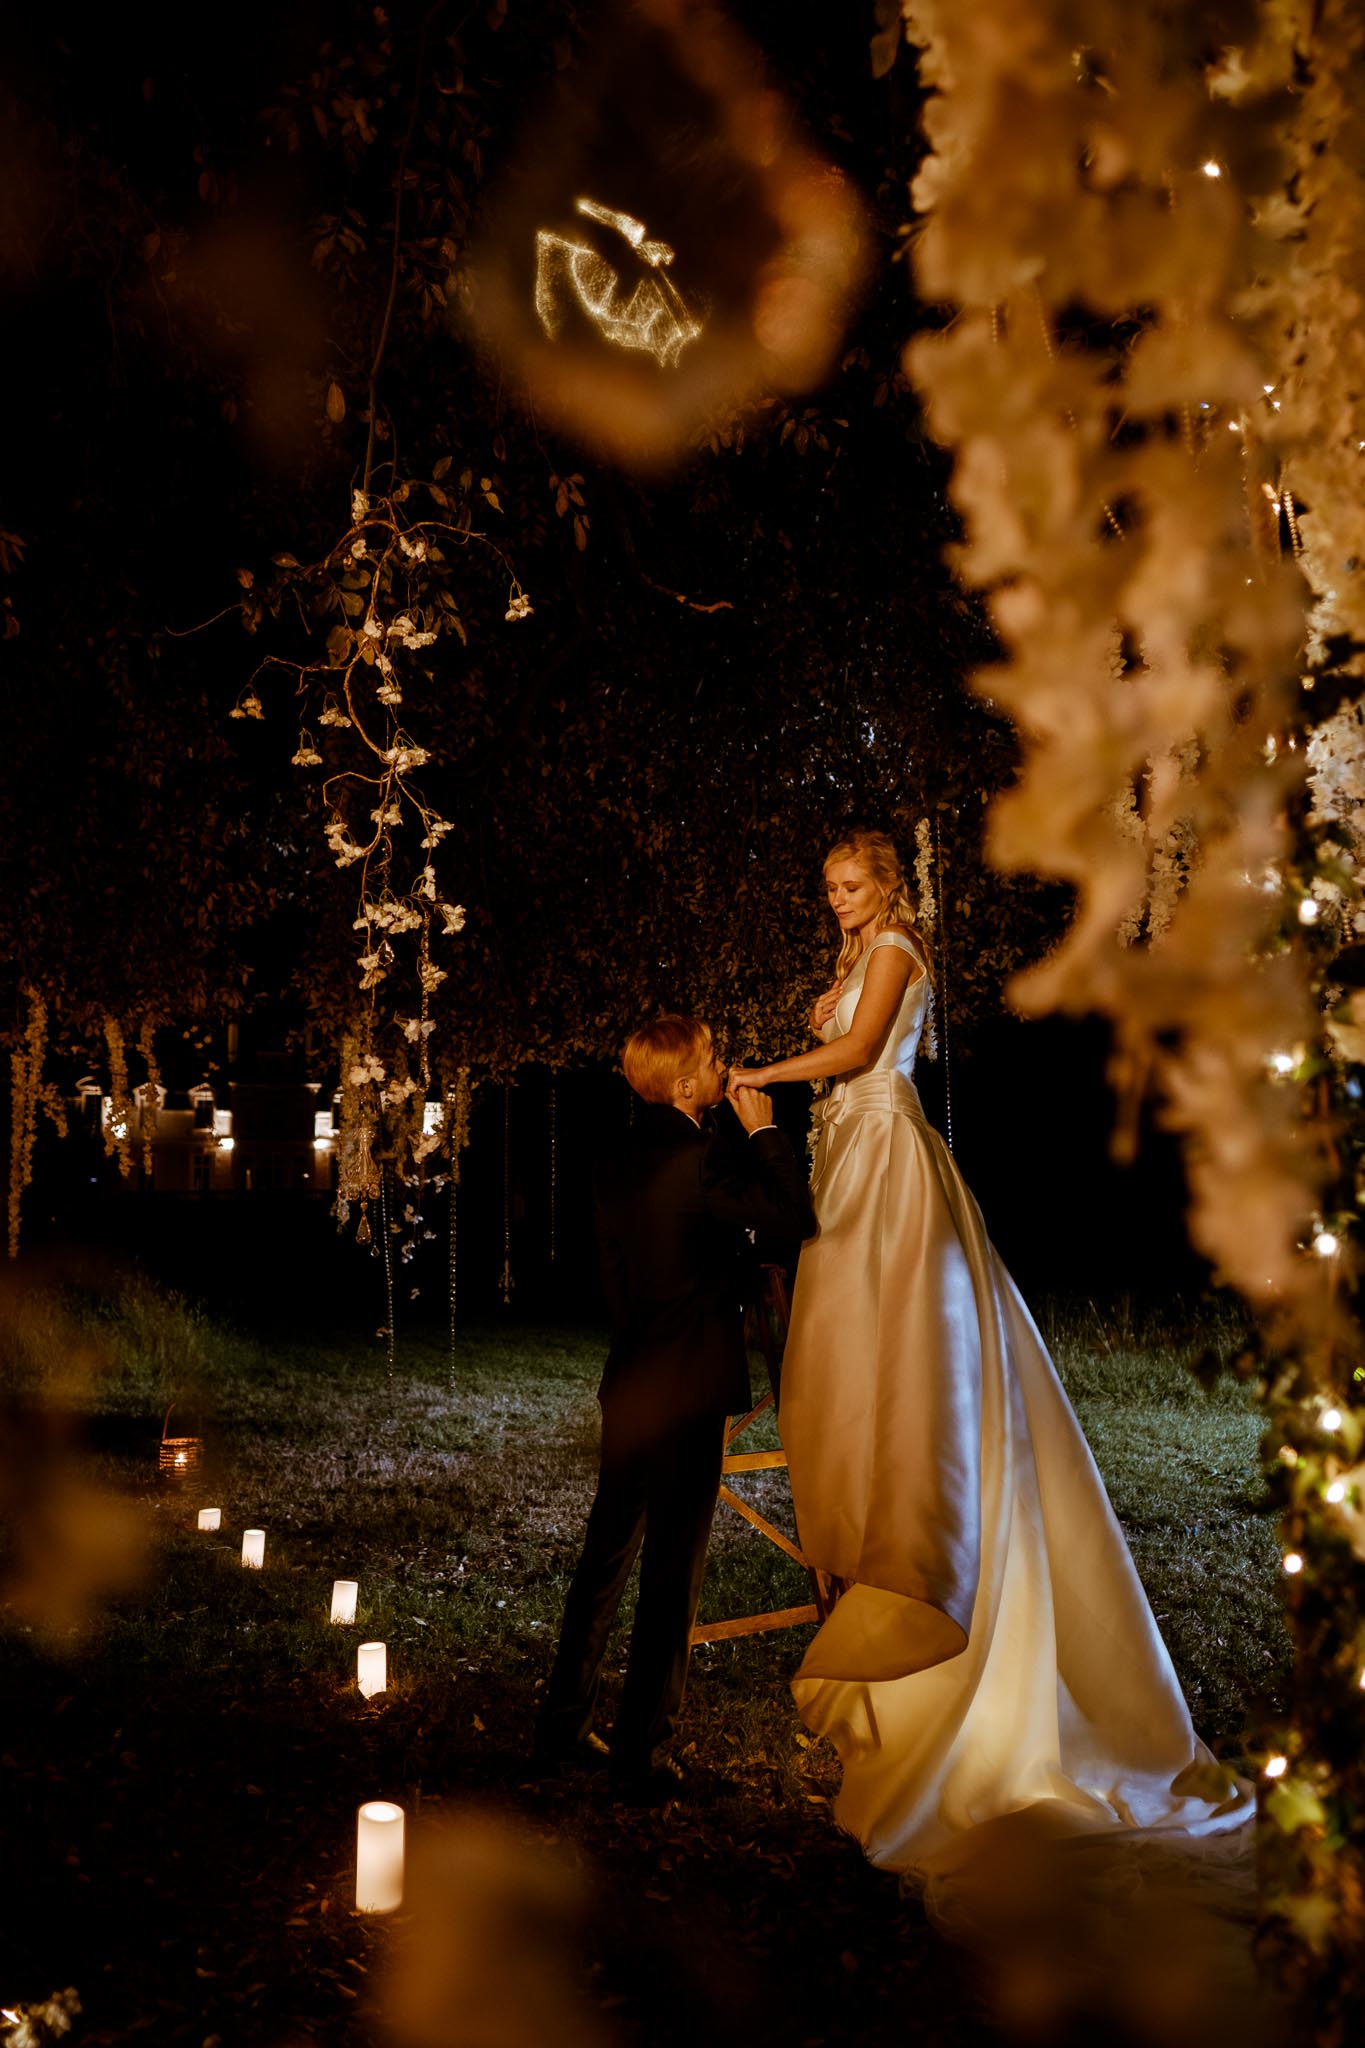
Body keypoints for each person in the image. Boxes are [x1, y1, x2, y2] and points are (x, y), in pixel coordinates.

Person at [729, 829, 1251, 1874]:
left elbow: (860, 1053)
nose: (836, 898)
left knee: (914, 1362)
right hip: (849, 1156)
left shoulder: (896, 951)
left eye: (852, 883)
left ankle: (941, 1575)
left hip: (886, 1157)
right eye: (826, 886)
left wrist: (763, 1073)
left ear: (888, 885)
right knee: (859, 1378)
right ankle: (880, 1577)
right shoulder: (853, 951)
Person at [535, 1013, 815, 1803]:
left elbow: (661, 1257)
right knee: (669, 1572)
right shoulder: (703, 1156)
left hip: (630, 1380)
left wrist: (733, 1271)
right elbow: (795, 1217)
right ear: (690, 1086)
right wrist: (762, 1131)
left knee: (603, 1560)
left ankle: (559, 1727)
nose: (725, 1069)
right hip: (689, 1386)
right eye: (715, 1062)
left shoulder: (614, 1159)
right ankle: (641, 1751)